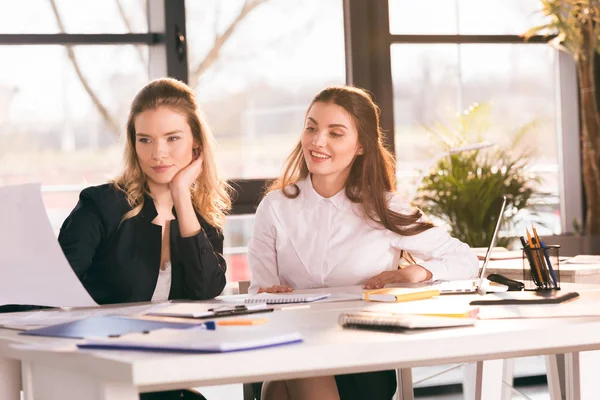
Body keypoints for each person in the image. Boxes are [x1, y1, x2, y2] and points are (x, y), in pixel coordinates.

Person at [248, 85, 479, 400]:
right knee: (283, 380)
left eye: (335, 133)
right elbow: (257, 294)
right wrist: (267, 295)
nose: (318, 141)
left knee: (280, 388)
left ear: (360, 146)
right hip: (296, 346)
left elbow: (464, 260)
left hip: (362, 354)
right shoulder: (275, 207)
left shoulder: (383, 208)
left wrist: (414, 273)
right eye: (311, 128)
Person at [58, 78, 231, 400]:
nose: (158, 153)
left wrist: (180, 194)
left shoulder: (201, 216)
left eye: (172, 138)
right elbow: (53, 288)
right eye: (146, 140)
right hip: (96, 370)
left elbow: (206, 289)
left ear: (197, 145)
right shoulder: (102, 204)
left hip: (160, 374)